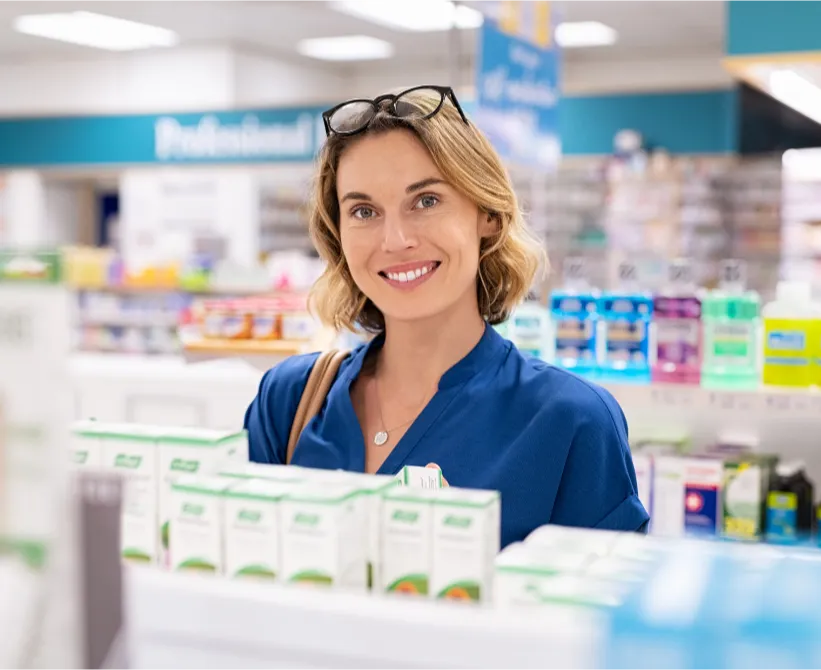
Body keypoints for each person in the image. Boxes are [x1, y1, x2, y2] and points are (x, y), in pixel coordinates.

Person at [244, 85, 649, 547]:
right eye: (363, 210)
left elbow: (597, 613)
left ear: (488, 214)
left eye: (426, 201)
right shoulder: (291, 402)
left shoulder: (570, 422)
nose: (394, 240)